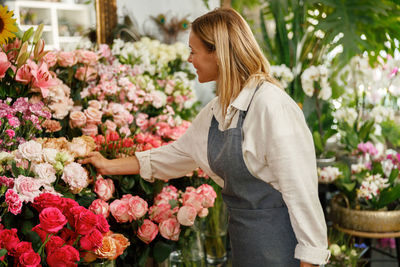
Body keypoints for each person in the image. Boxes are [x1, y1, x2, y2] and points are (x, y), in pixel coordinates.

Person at [80, 7, 330, 267]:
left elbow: (302, 194)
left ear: (218, 53)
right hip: (245, 249)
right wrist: (107, 165)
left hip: (284, 252)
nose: (189, 59)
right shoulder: (216, 111)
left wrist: (310, 261)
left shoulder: (270, 105)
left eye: (193, 50)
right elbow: (176, 155)